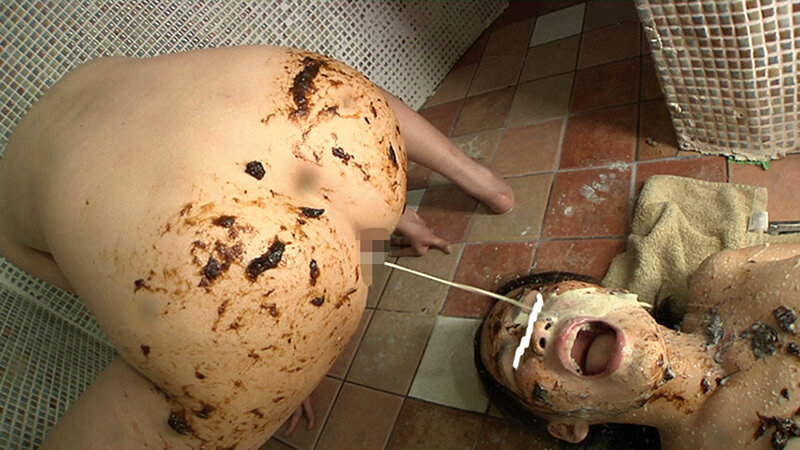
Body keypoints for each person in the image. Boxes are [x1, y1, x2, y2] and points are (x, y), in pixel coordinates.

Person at [0, 45, 513, 448]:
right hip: (311, 130)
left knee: (340, 125)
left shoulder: (13, 228)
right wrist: (275, 367)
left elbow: (120, 287)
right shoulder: (94, 81)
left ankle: (444, 185)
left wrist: (280, 365)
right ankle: (457, 186)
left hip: (301, 138)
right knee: (336, 137)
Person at [477, 243, 800, 450]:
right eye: (514, 358)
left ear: (613, 293)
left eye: (540, 303)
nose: (537, 330)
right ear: (568, 427)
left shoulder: (727, 273)